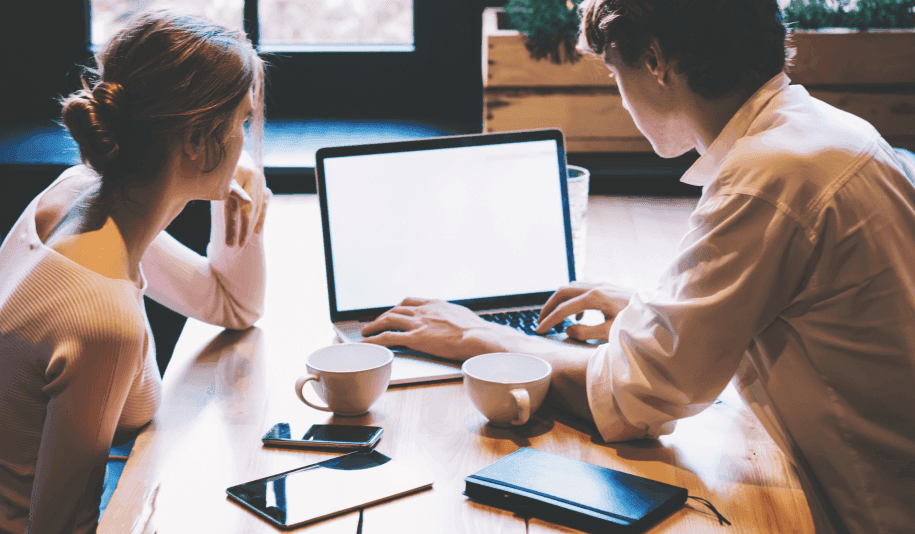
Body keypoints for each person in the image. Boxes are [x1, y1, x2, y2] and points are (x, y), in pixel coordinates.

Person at [361, 0, 915, 532]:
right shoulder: (823, 133)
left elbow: (629, 401)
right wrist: (644, 308)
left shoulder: (771, 176)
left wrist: (474, 335)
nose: (622, 100)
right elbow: (777, 303)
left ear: (655, 62)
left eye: (613, 73)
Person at [0, 9, 269, 533]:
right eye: (241, 124)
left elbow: (235, 307)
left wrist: (243, 179)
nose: (245, 140)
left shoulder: (80, 195)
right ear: (196, 141)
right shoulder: (105, 319)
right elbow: (61, 527)